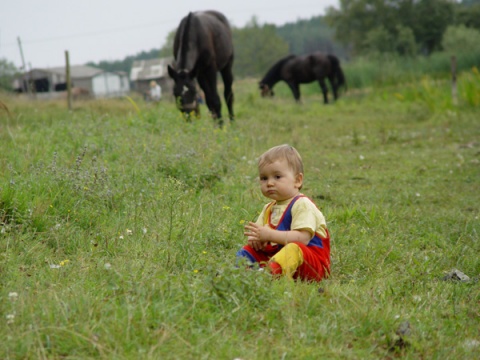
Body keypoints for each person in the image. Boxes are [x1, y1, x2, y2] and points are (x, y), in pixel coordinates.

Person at [237, 144, 330, 281]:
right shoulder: (268, 208)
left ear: (297, 180)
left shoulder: (302, 204)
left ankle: (267, 276)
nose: (269, 183)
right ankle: (240, 274)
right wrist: (256, 240)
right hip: (279, 257)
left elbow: (303, 239)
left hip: (310, 265)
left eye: (277, 177)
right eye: (264, 178)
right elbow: (260, 235)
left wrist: (270, 234)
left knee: (293, 248)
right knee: (247, 251)